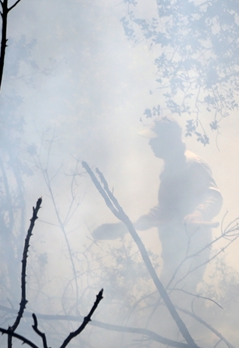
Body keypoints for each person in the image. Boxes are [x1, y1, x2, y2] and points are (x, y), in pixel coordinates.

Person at [93, 117, 222, 289]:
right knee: (170, 292)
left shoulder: (191, 165)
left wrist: (198, 213)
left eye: (155, 139)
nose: (150, 144)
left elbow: (213, 196)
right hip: (174, 246)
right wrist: (138, 223)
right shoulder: (170, 165)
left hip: (192, 245)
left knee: (178, 294)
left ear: (168, 139)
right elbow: (166, 208)